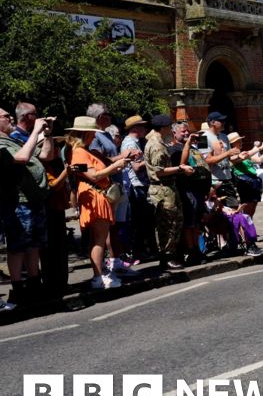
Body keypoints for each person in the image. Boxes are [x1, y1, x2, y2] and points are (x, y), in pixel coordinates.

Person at [65, 116, 130, 289]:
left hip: (94, 194)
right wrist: (115, 166)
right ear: (85, 133)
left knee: (97, 238)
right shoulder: (79, 152)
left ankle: (99, 274)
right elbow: (93, 175)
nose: (94, 137)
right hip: (94, 195)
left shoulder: (79, 151)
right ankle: (98, 277)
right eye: (92, 133)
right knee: (99, 239)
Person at [0, 104, 52, 308]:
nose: (11, 119)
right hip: (17, 201)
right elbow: (21, 158)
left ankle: (33, 284)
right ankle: (18, 288)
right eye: (6, 117)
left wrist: (47, 134)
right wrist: (36, 132)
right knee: (18, 246)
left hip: (33, 198)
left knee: (34, 245)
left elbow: (45, 155)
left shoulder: (11, 139)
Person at [144, 114, 187, 270]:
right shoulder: (156, 145)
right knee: (168, 224)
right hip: (162, 188)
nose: (170, 129)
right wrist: (180, 169)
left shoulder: (157, 141)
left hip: (166, 187)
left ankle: (171, 254)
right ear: (163, 128)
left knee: (173, 222)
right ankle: (167, 257)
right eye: (169, 127)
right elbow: (159, 171)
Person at [168, 121, 211, 265]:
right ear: (174, 133)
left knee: (197, 223)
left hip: (198, 191)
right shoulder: (174, 149)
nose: (186, 134)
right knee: (189, 223)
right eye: (183, 131)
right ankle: (191, 250)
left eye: (187, 131)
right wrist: (188, 144)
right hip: (186, 190)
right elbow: (181, 163)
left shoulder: (193, 147)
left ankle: (197, 249)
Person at [120, 115, 155, 262]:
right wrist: (150, 160)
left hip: (139, 185)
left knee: (142, 220)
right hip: (136, 185)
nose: (144, 129)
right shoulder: (130, 143)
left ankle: (141, 251)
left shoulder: (135, 142)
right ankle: (138, 252)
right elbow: (135, 167)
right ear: (134, 128)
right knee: (139, 221)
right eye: (141, 126)